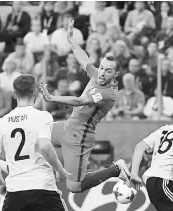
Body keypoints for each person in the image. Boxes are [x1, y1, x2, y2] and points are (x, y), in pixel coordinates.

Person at [40, 20, 131, 193]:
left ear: (116, 74)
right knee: (36, 137)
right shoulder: (97, 74)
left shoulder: (108, 93)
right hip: (68, 126)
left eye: (108, 71)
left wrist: (52, 97)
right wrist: (71, 40)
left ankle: (116, 170)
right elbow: (84, 59)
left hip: (80, 136)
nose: (102, 73)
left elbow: (79, 101)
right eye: (102, 68)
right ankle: (52, 171)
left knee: (74, 187)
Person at [0, 74, 69, 211]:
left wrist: (0, 183)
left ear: (14, 94)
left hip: (15, 192)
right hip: (43, 188)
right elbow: (44, 146)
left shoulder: (1, 122)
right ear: (35, 92)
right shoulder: (43, 116)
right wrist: (59, 168)